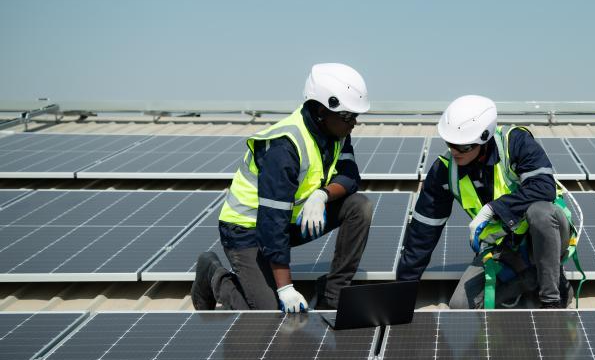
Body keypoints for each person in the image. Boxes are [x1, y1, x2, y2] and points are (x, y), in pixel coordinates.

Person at [191, 63, 373, 312]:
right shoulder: (283, 147)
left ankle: (333, 293)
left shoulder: (336, 132)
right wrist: (285, 288)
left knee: (359, 207)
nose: (354, 123)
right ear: (321, 110)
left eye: (355, 116)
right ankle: (213, 274)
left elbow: (350, 177)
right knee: (266, 313)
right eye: (348, 116)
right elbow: (272, 223)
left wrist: (322, 195)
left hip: (292, 221)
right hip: (247, 231)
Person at [396, 95, 572, 309]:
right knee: (460, 306)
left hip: (545, 236)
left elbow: (544, 188)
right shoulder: (444, 171)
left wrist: (493, 209)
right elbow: (423, 233)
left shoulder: (514, 142)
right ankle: (530, 278)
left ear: (484, 138)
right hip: (501, 247)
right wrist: (402, 292)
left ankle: (552, 300)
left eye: (463, 146)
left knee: (541, 212)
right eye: (450, 143)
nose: (454, 151)